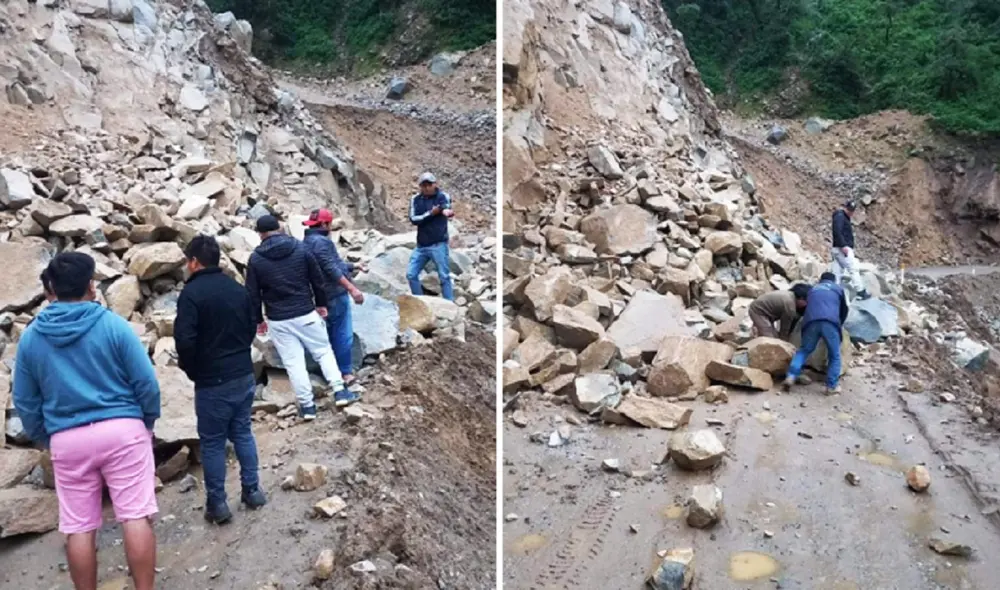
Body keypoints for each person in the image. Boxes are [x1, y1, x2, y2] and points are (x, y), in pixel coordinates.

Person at [13, 252, 160, 590]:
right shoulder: (112, 325)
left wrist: (45, 437)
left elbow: (24, 400)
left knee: (79, 526)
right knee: (135, 515)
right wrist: (147, 421)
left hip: (67, 438)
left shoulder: (32, 338)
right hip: (123, 430)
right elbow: (146, 383)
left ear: (50, 289)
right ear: (91, 286)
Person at [175, 235, 267, 524]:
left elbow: (184, 341)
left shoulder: (191, 295)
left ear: (194, 262)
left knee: (213, 443)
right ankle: (252, 491)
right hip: (242, 373)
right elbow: (252, 323)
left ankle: (218, 504)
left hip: (212, 380)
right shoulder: (237, 289)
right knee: (242, 432)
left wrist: (193, 370)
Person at [245, 215, 358, 417]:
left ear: (260, 234)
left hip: (278, 318)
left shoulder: (256, 259)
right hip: (305, 311)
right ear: (279, 228)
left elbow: (253, 294)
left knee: (293, 362)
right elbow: (317, 280)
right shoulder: (299, 248)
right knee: (323, 351)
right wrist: (321, 304)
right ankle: (340, 392)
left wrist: (258, 321)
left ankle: (307, 407)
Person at [302, 208, 367, 384]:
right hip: (334, 294)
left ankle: (329, 373)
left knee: (325, 336)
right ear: (324, 224)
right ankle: (345, 373)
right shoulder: (323, 242)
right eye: (329, 224)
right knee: (342, 334)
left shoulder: (305, 241)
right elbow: (330, 268)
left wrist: (353, 266)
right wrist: (352, 289)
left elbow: (332, 263)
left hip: (317, 297)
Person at [783, 272, 850, 396]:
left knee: (803, 350)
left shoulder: (813, 289)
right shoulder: (838, 289)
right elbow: (844, 310)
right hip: (830, 323)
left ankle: (791, 376)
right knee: (834, 355)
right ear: (833, 280)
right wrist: (839, 324)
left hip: (810, 322)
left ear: (821, 280)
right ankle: (831, 386)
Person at [406, 172, 455, 301]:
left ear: (435, 184)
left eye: (429, 184)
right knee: (411, 274)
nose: (427, 188)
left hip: (438, 244)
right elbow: (413, 219)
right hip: (421, 245)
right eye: (424, 185)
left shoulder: (443, 196)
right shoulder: (415, 199)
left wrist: (446, 212)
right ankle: (420, 302)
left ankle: (449, 304)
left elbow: (446, 207)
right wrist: (431, 214)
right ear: (420, 186)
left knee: (444, 276)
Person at [831, 200, 871, 300]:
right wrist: (843, 245)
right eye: (849, 210)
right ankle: (860, 291)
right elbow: (837, 231)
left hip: (838, 248)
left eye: (852, 210)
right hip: (842, 248)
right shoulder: (840, 216)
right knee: (853, 268)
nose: (850, 212)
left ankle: (835, 290)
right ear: (845, 207)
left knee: (837, 270)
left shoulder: (842, 216)